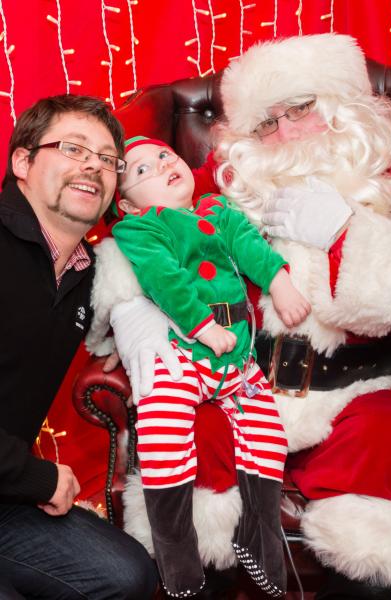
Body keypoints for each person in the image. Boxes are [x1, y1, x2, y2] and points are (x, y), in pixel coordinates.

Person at [88, 34, 391, 599]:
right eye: (265, 124)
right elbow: (147, 238)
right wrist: (136, 323)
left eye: (300, 110)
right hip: (236, 381)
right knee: (186, 462)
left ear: (344, 106)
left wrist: (347, 231)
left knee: (385, 474)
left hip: (361, 391)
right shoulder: (229, 181)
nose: (285, 135)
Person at [110, 135, 310, 597]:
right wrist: (201, 325)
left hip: (237, 358)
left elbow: (248, 245)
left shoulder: (216, 210)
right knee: (163, 428)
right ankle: (175, 550)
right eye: (142, 171)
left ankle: (257, 538)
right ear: (127, 205)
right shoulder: (141, 229)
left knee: (267, 435)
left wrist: (278, 281)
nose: (161, 166)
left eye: (164, 155)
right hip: (186, 351)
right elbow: (163, 276)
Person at [0, 96, 158, 599]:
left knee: (125, 573)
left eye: (108, 159)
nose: (93, 164)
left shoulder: (88, 273)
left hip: (4, 491)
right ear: (22, 162)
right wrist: (36, 477)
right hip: (17, 476)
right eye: (72, 148)